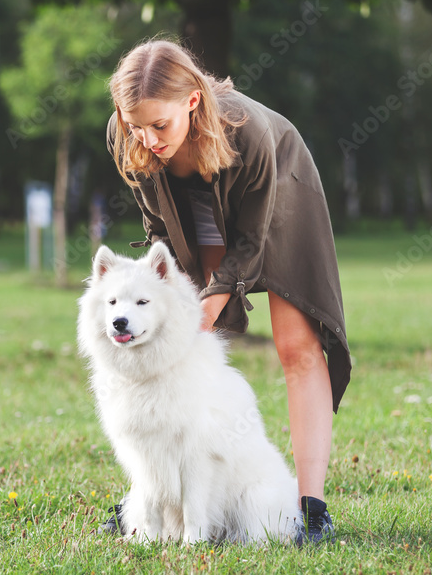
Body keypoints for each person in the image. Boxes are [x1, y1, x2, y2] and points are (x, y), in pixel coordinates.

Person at [100, 37, 351, 545]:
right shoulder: (129, 133)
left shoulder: (252, 133)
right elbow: (158, 231)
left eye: (160, 126)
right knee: (184, 335)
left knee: (296, 347)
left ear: (191, 101)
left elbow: (251, 242)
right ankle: (153, 493)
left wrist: (210, 302)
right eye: (135, 126)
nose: (147, 140)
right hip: (191, 202)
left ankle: (310, 508)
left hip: (277, 190)